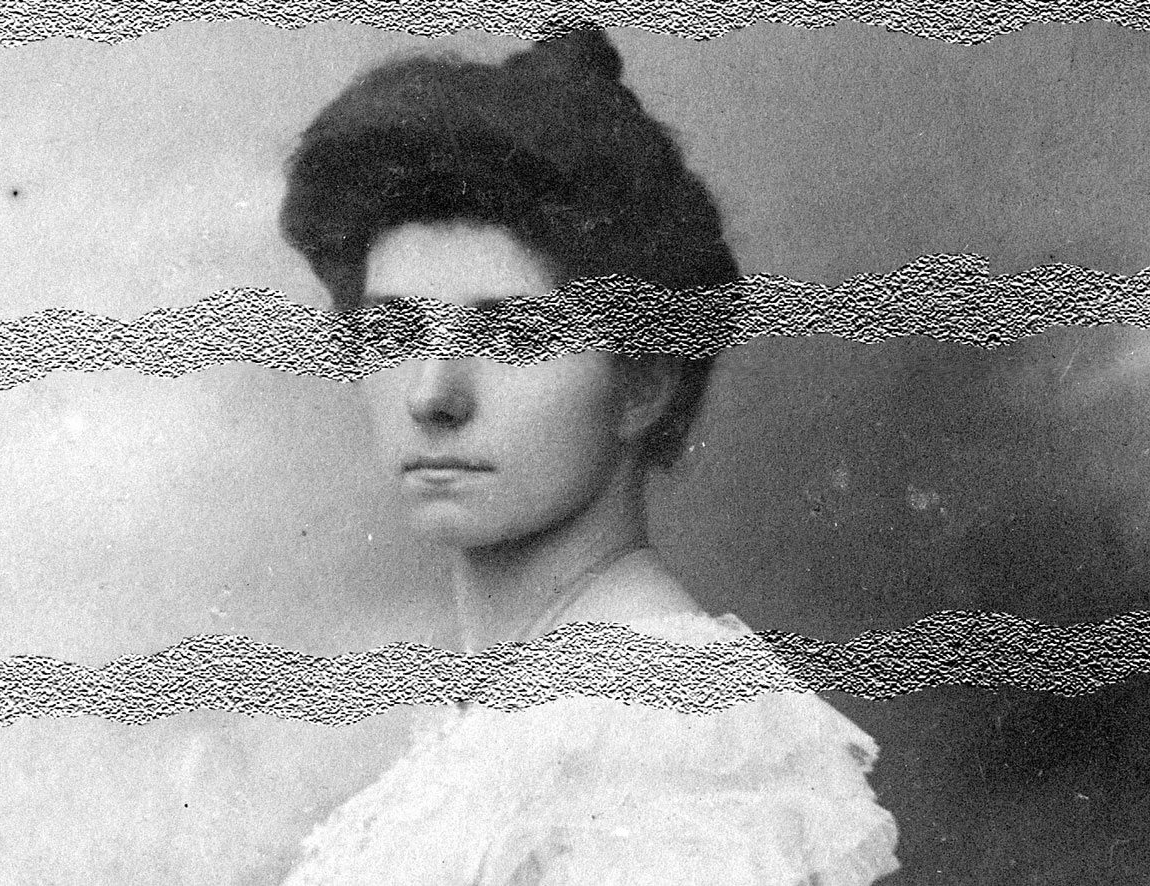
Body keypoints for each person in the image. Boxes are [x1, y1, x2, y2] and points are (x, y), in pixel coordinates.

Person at [277, 28, 900, 885]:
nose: (431, 394)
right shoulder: (535, 718)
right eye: (393, 332)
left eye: (512, 336)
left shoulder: (666, 734)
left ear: (642, 382)